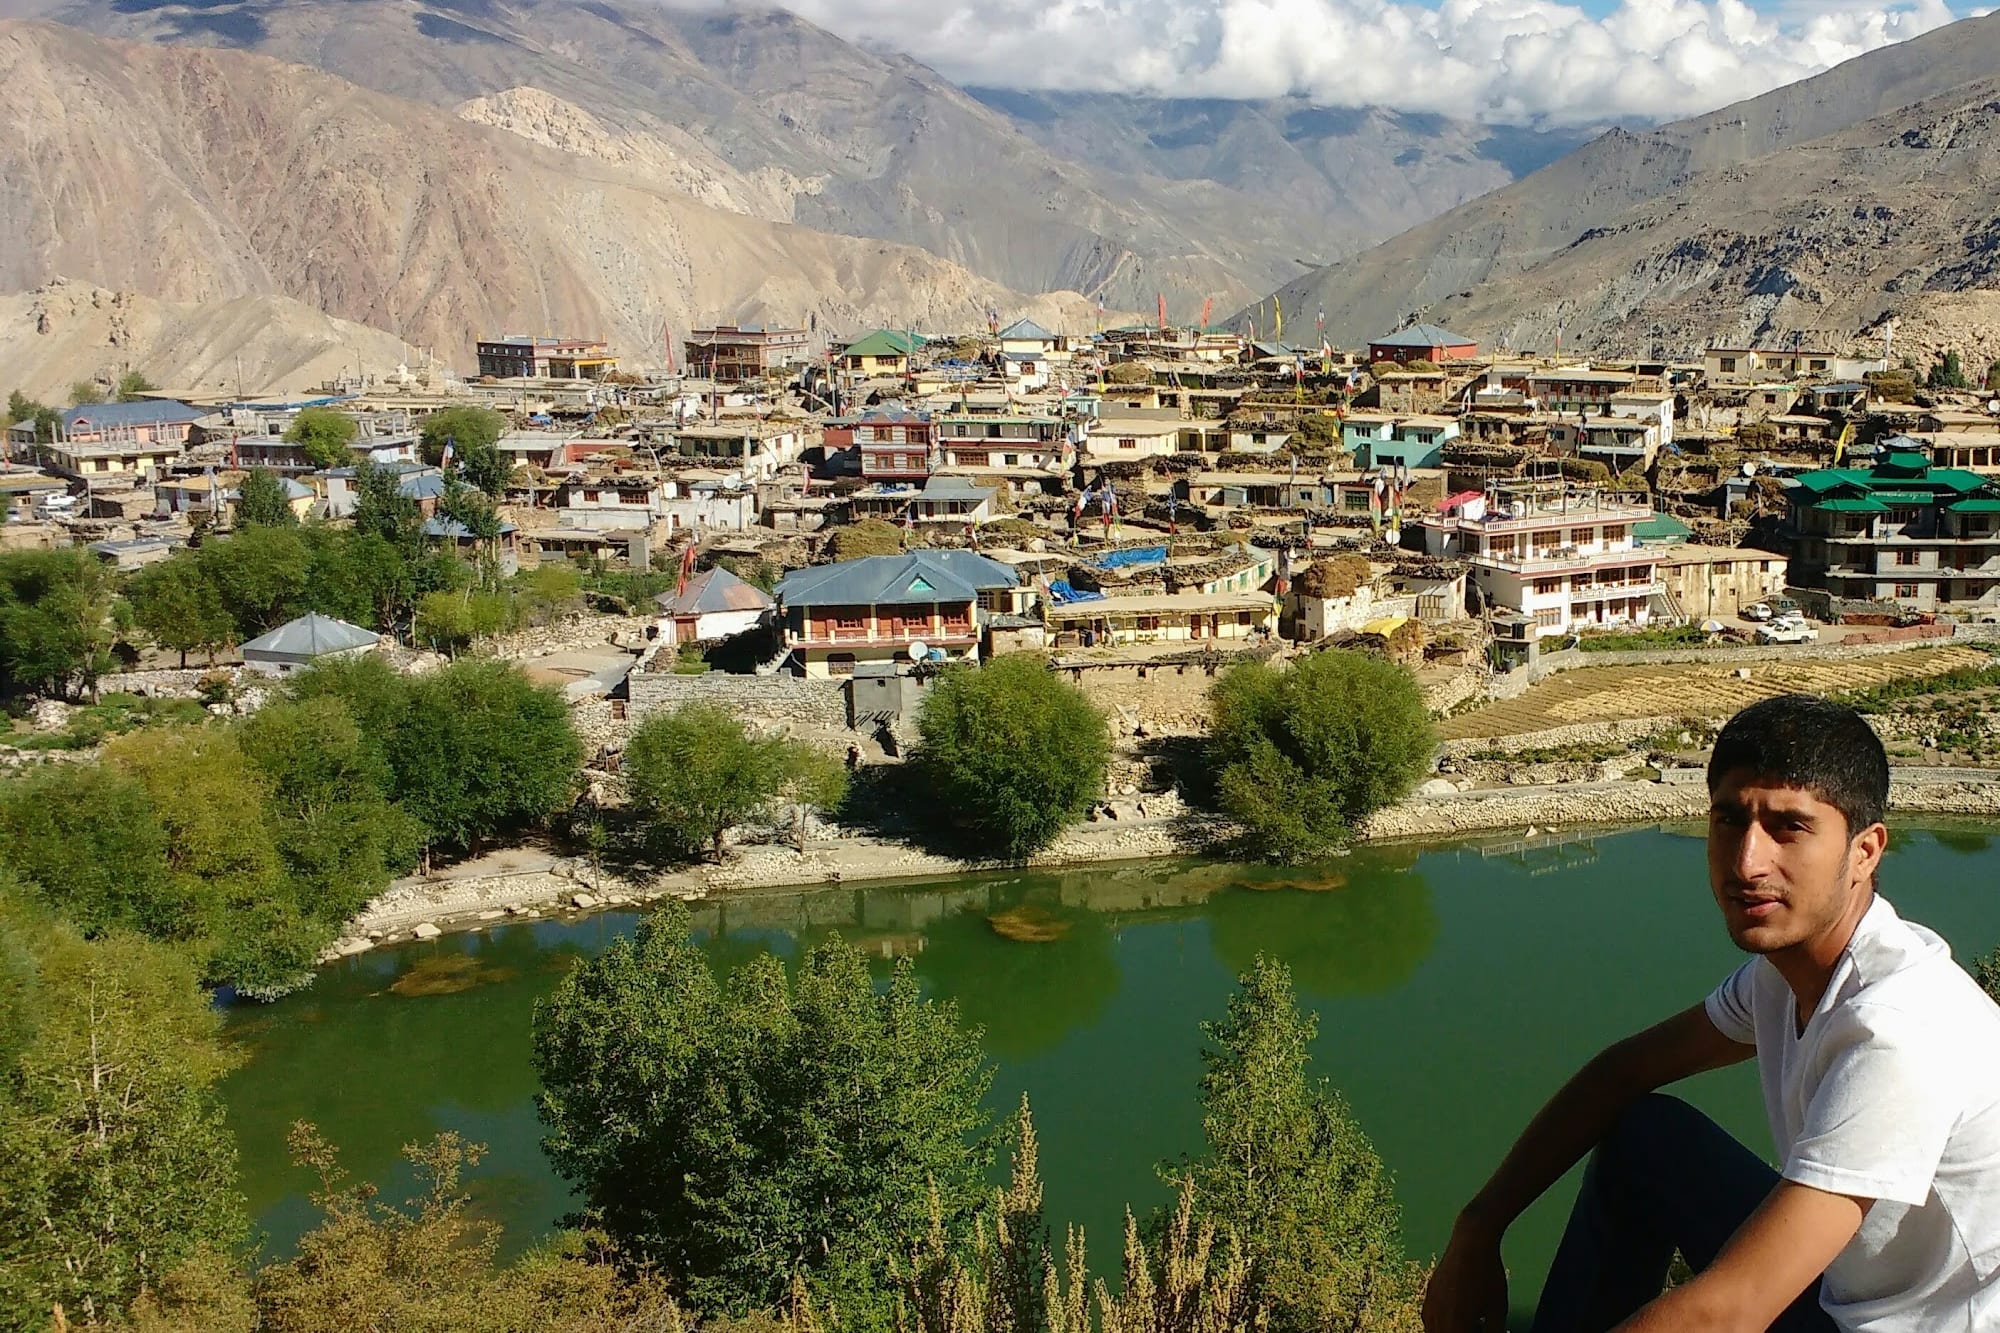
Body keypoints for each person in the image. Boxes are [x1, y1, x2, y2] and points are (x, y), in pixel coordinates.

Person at [1423, 694, 2000, 1333]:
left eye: (1790, 827)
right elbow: (1624, 1072)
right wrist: (1479, 1227)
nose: (1748, 861)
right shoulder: (1784, 978)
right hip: (1842, 1291)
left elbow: (1728, 1314)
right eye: (1729, 820)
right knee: (1646, 1136)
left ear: (1865, 852)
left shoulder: (1897, 1029)